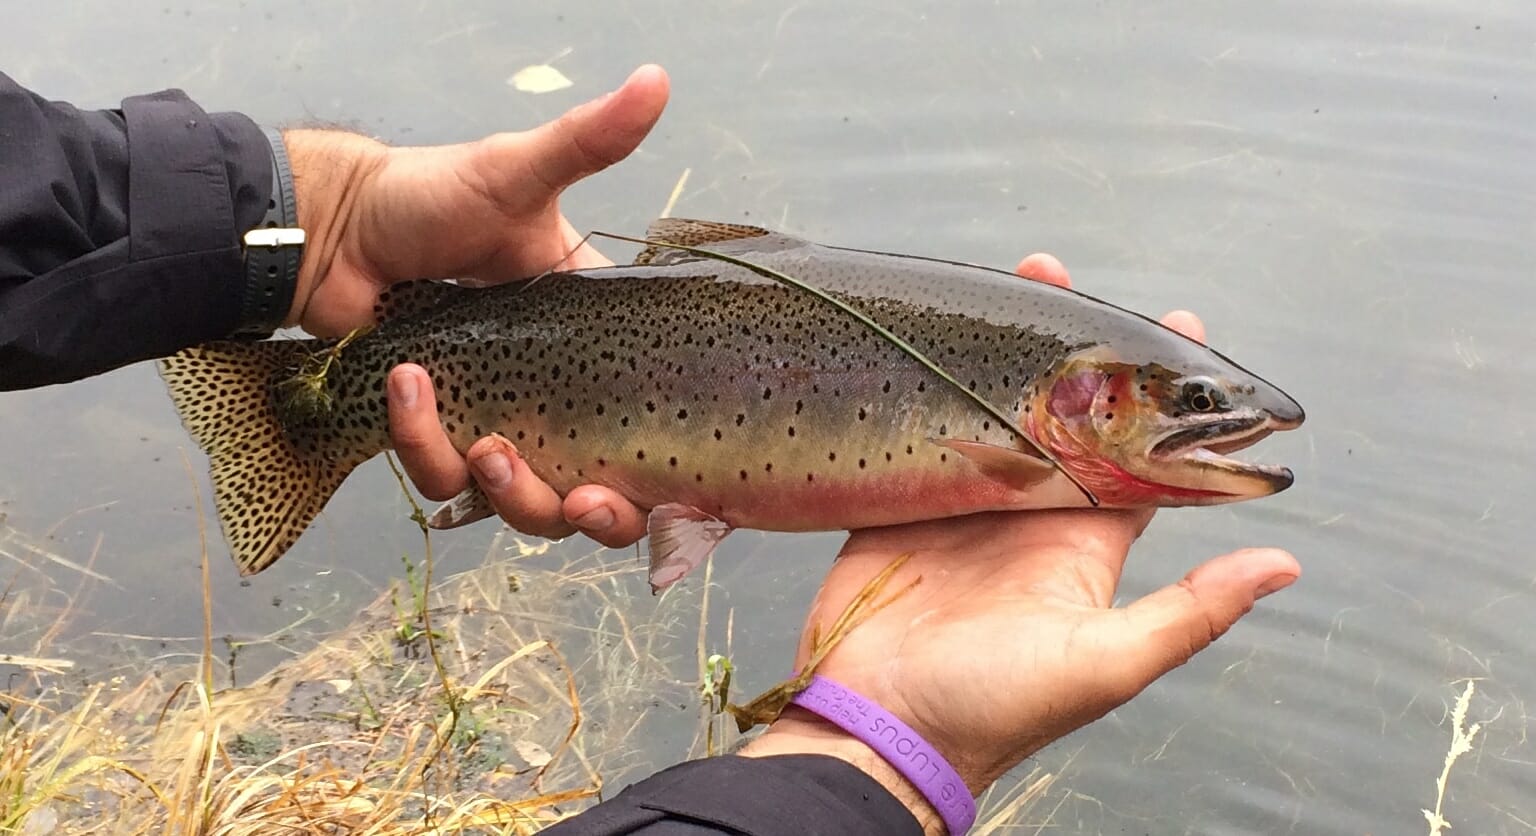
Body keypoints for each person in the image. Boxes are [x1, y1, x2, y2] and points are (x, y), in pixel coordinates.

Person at [0, 64, 1300, 834]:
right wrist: (885, 753)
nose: (1216, 427)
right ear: (1082, 395)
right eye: (1184, 402)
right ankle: (301, 412)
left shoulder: (1041, 407)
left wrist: (312, 218)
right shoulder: (1036, 427)